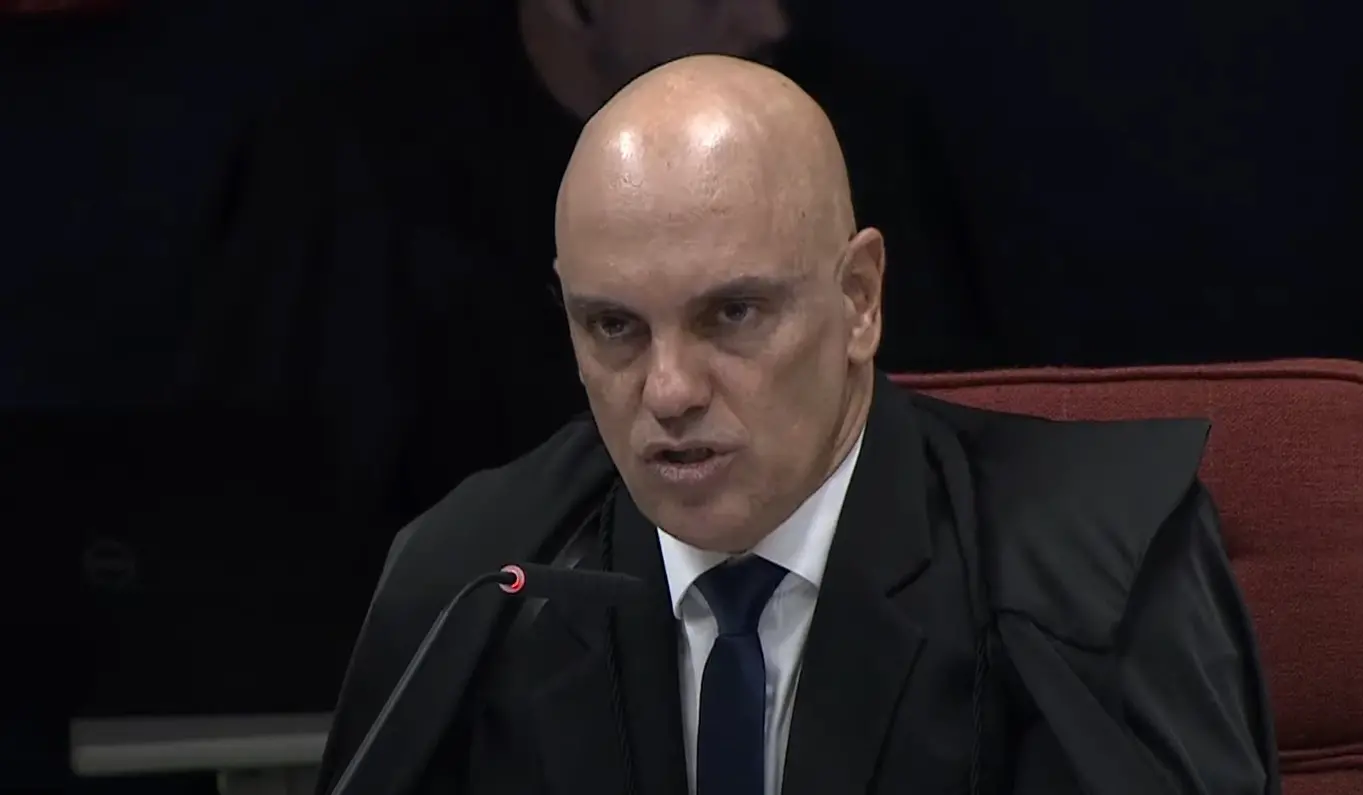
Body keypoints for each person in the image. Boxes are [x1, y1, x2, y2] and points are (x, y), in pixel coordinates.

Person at [317, 55, 1277, 795]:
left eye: (731, 313)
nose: (668, 390)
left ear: (858, 299)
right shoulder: (471, 585)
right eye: (613, 327)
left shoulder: (1086, 570)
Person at [177, 0, 990, 536]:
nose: (766, 19)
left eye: (735, 311)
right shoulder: (347, 175)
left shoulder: (857, 141)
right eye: (613, 324)